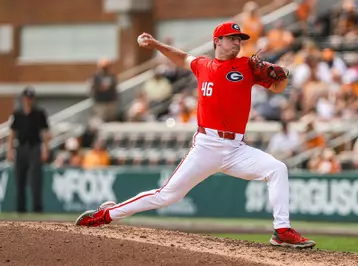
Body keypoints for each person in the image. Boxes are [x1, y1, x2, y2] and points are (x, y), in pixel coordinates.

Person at [75, 22, 316, 249]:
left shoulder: (247, 66)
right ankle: (106, 214)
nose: (237, 42)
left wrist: (280, 73)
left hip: (236, 149)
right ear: (217, 41)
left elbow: (278, 87)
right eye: (232, 38)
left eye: (239, 39)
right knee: (166, 196)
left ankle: (282, 231)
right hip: (207, 145)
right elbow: (181, 57)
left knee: (277, 169)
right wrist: (157, 45)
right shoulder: (203, 66)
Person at [7, 87, 50, 213]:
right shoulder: (18, 113)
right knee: (19, 179)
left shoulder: (39, 113)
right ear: (23, 98)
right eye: (27, 97)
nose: (28, 100)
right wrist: (10, 150)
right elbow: (12, 133)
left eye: (30, 98)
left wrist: (45, 149)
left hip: (35, 147)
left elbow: (45, 132)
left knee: (35, 180)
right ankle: (20, 208)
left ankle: (37, 208)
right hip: (21, 147)